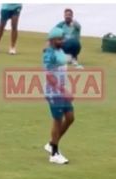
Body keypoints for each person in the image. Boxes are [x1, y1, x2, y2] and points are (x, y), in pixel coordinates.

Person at [43, 27, 75, 165]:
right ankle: (54, 154)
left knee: (70, 117)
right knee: (58, 120)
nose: (62, 41)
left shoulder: (59, 50)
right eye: (59, 39)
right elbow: (49, 77)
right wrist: (63, 90)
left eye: (62, 39)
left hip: (61, 91)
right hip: (53, 92)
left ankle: (51, 143)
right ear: (52, 40)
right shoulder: (49, 55)